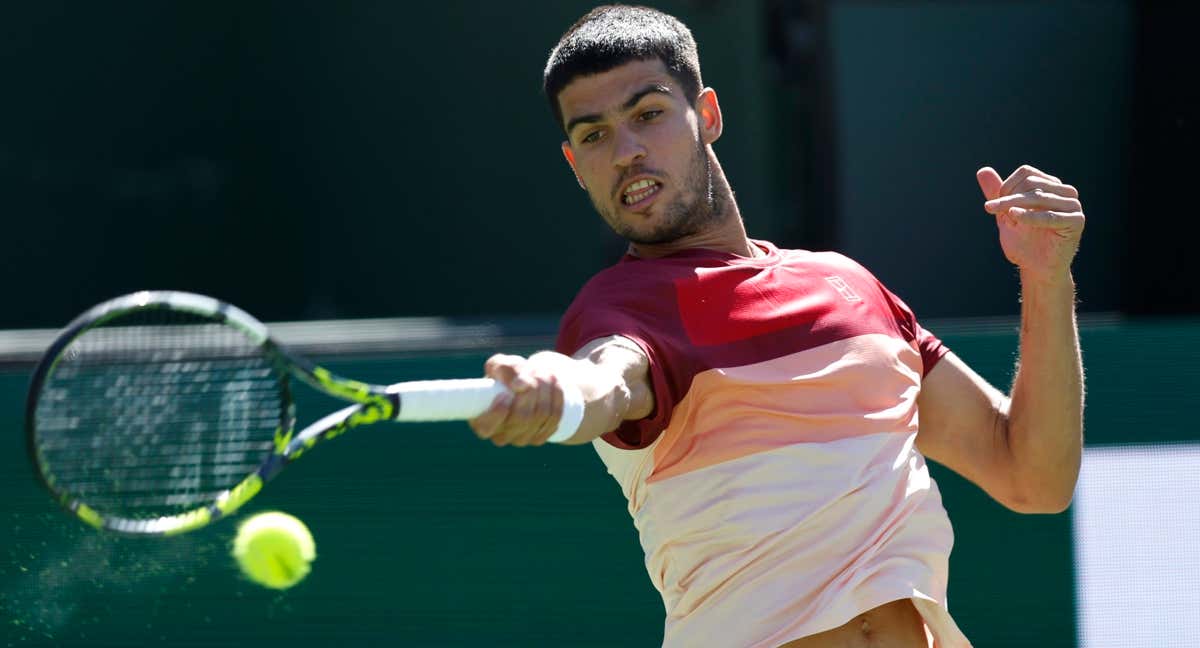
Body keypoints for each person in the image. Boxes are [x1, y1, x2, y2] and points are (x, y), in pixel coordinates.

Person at [468, 5, 1085, 647]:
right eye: (594, 135)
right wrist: (558, 388)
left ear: (706, 116)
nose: (626, 152)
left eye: (647, 115)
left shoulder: (848, 285)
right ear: (574, 162)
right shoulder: (617, 311)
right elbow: (607, 379)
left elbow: (1032, 476)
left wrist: (1046, 280)